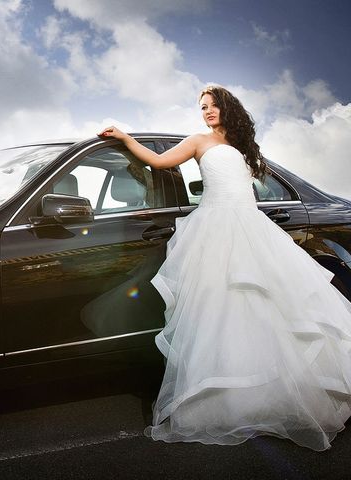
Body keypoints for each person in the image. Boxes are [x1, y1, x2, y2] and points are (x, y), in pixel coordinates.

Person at [99, 85, 351, 451]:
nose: (207, 111)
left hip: (251, 229)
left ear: (227, 108)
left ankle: (280, 396)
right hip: (214, 230)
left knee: (269, 310)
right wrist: (124, 137)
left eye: (213, 105)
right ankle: (236, 399)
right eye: (202, 107)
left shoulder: (245, 148)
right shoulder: (198, 141)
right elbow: (159, 162)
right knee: (223, 311)